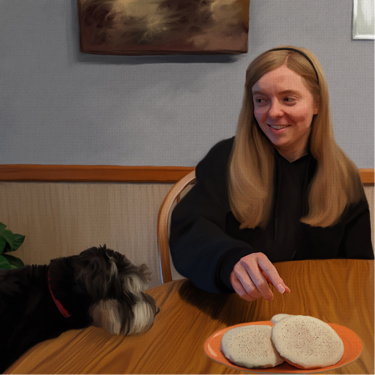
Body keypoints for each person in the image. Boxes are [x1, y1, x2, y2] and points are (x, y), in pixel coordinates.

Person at [169, 46, 374, 302]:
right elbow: (189, 229)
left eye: (288, 99)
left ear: (317, 103)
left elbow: (359, 269)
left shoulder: (343, 176)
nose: (273, 112)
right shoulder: (226, 158)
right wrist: (229, 260)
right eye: (261, 100)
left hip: (316, 313)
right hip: (236, 310)